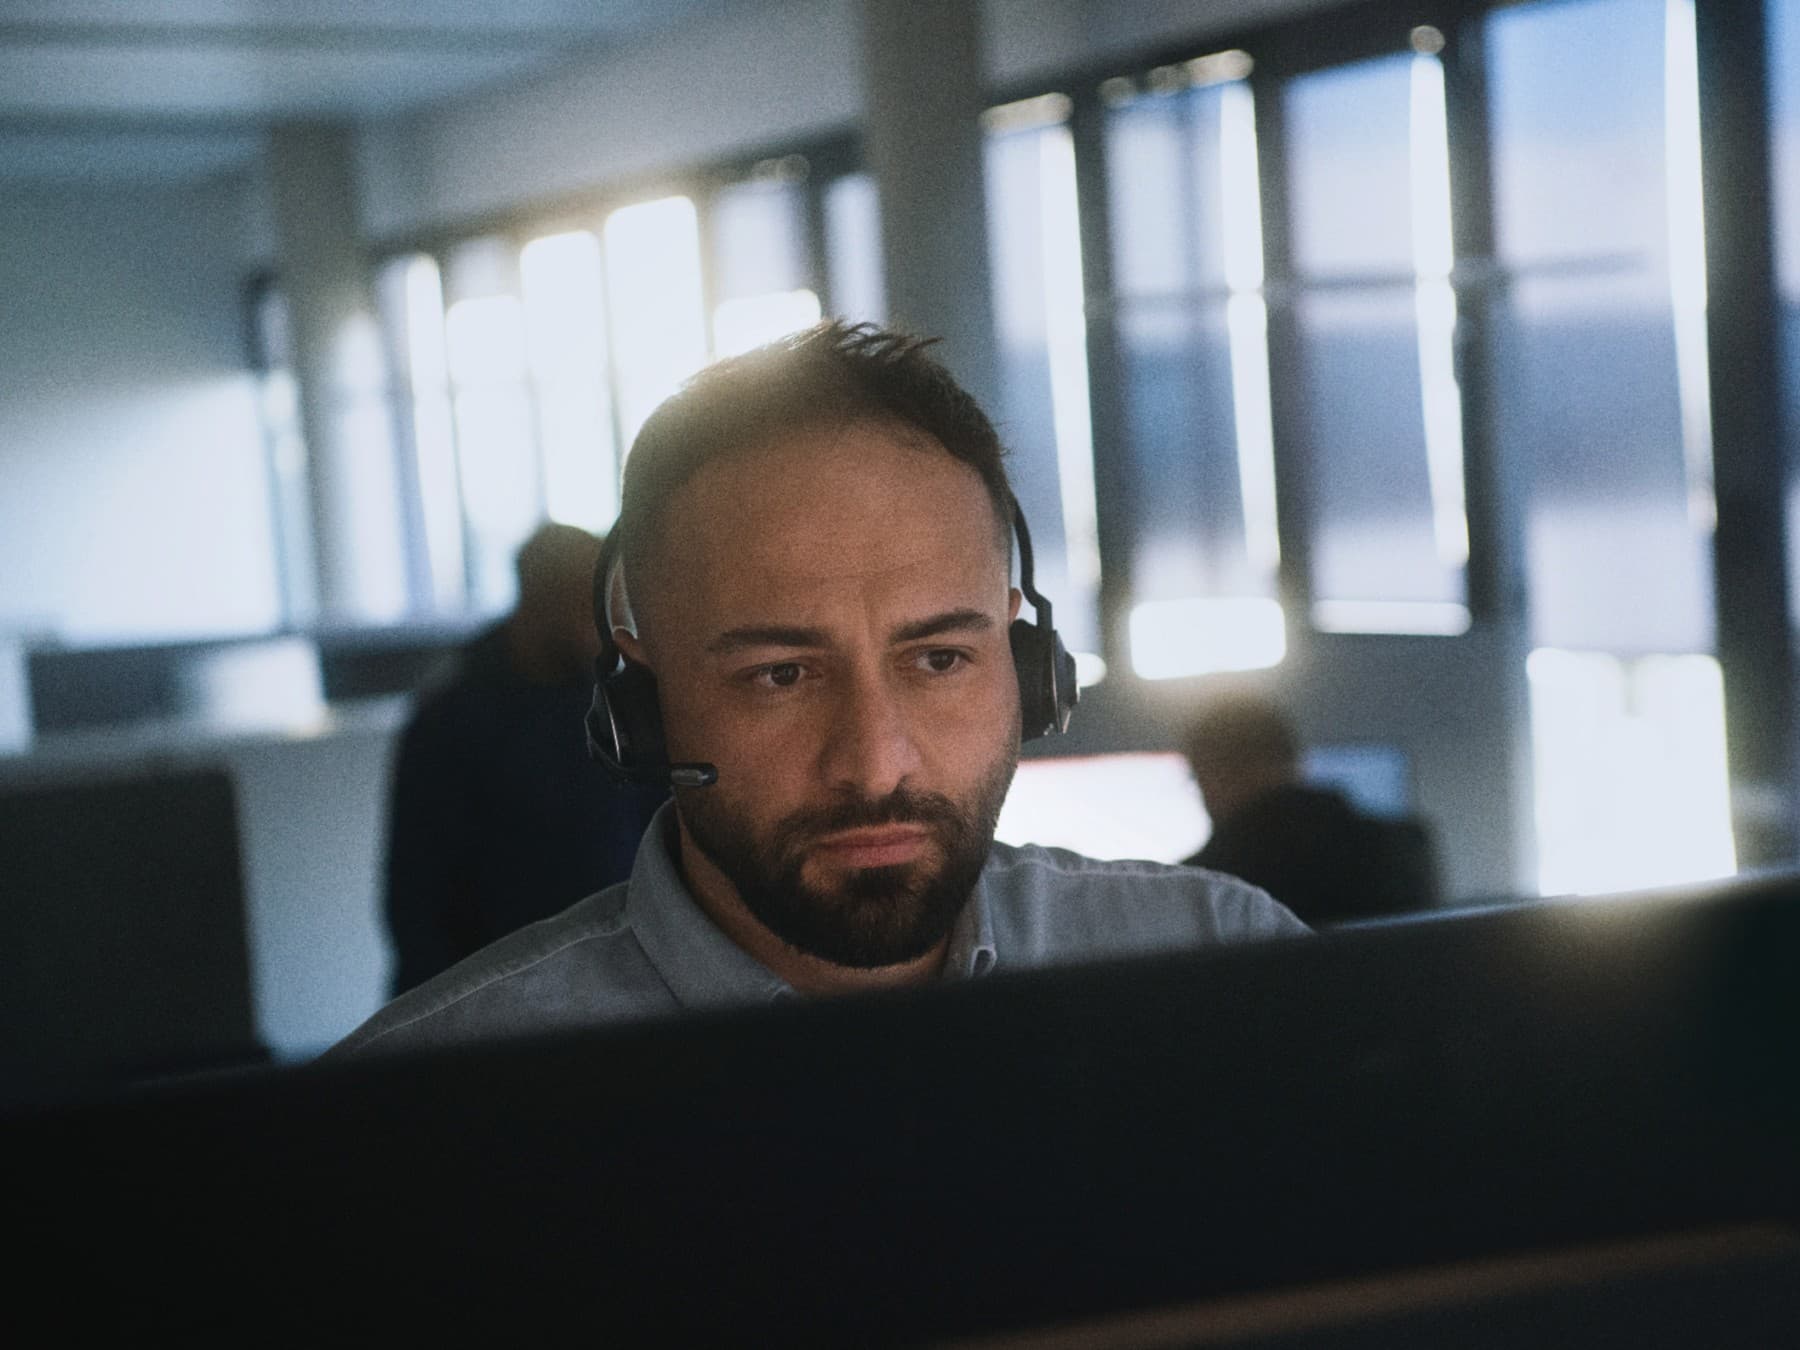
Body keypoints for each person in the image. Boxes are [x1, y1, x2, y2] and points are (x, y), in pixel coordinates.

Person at [334, 322, 1305, 1056]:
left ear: (1032, 671)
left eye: (939, 659)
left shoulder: (1236, 969)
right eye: (782, 674)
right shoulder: (427, 1097)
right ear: (642, 700)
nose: (875, 761)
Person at [382, 522, 666, 995]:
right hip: (492, 1006)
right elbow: (416, 907)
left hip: (614, 988)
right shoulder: (452, 722)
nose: (611, 627)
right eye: (591, 607)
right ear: (542, 605)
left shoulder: (619, 699)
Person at [1180, 691, 1440, 926]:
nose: (1203, 793)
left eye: (1198, 778)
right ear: (1295, 761)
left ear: (1214, 774)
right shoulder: (1399, 846)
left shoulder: (1201, 883)